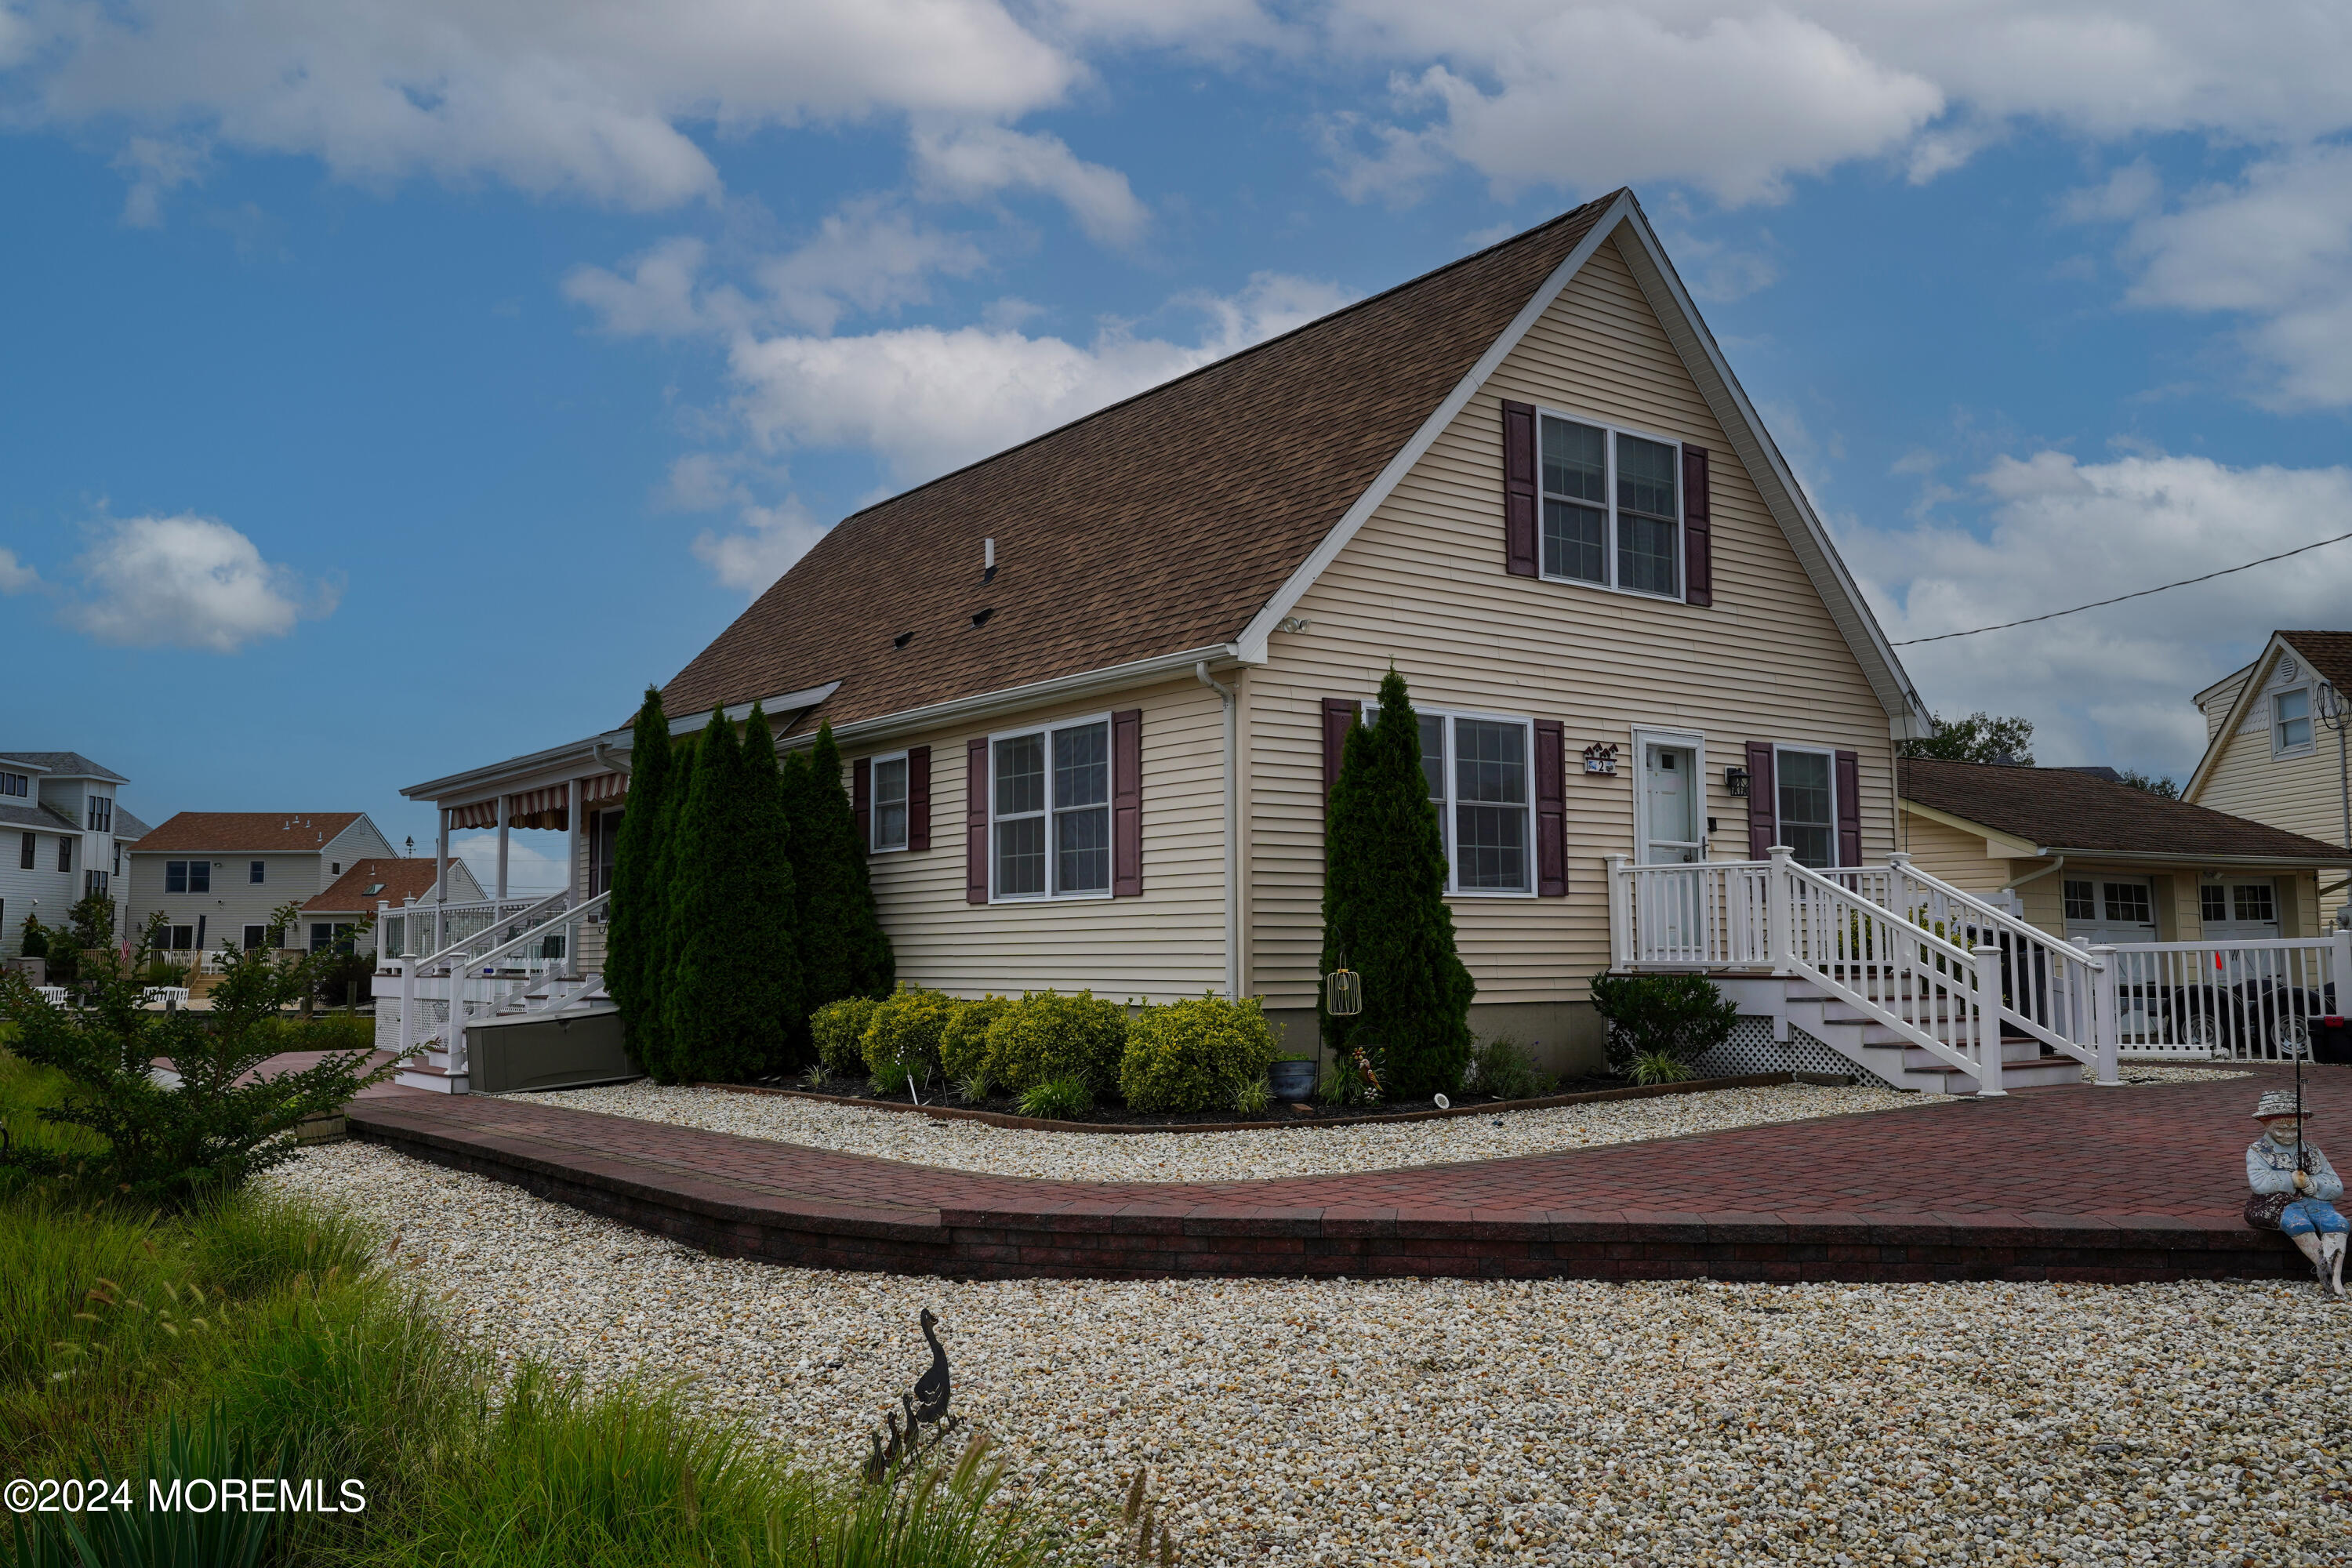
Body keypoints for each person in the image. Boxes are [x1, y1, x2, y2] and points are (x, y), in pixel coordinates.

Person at [2245, 1088, 2347, 1297]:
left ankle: (2334, 1278)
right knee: (2298, 1223)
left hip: (2314, 1201)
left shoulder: (2313, 1150)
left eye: (2295, 1128)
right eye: (2280, 1129)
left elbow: (2336, 1185)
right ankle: (2325, 1271)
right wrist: (2290, 1179)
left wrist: (2313, 1185)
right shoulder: (2258, 1151)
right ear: (2265, 1122)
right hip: (2274, 1204)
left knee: (2338, 1223)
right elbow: (2259, 1183)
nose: (2288, 1135)